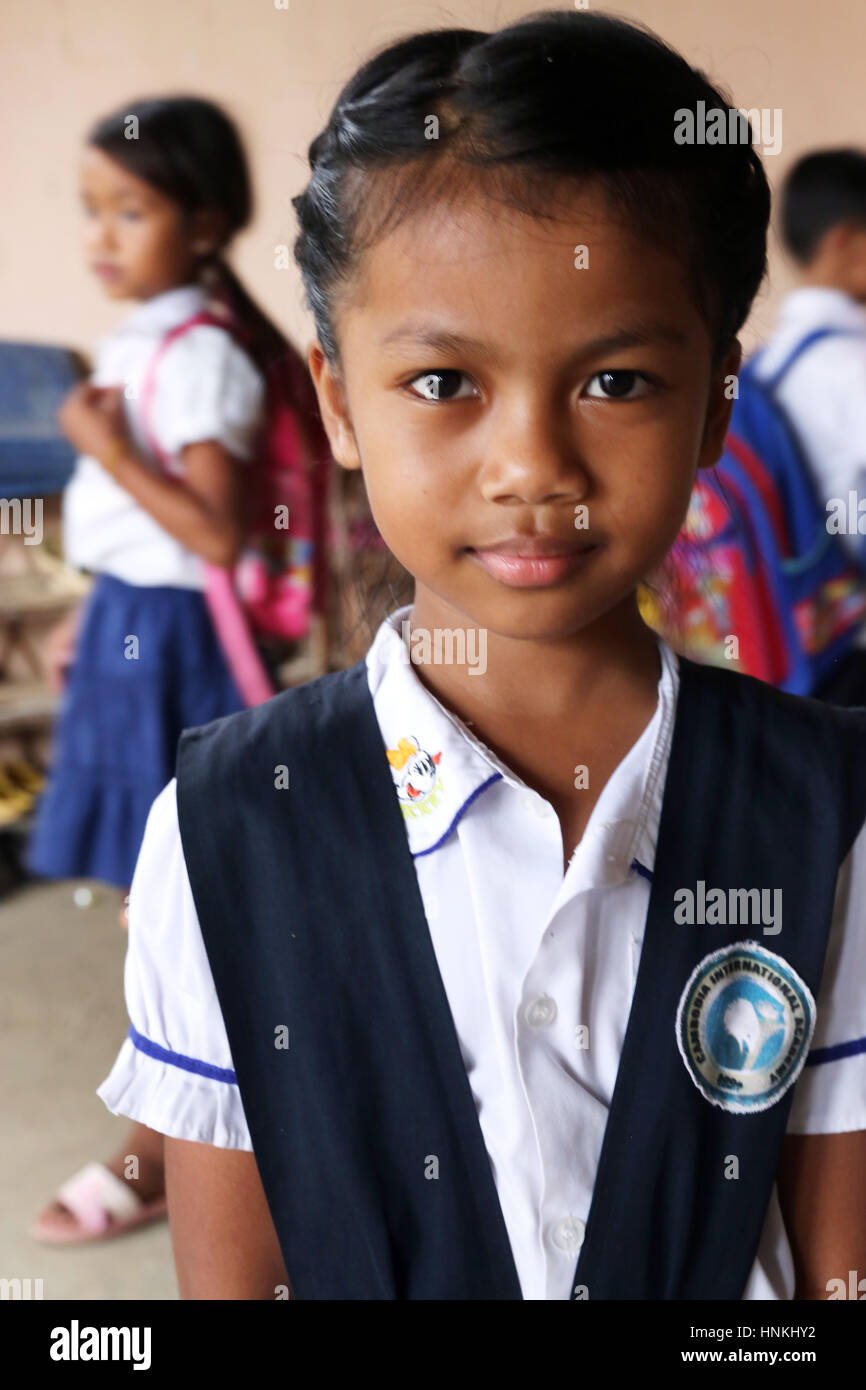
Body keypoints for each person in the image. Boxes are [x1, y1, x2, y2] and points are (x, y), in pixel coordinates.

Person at [97, 11, 866, 1299]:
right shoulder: (228, 824)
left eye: (614, 381)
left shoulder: (824, 812)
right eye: (444, 382)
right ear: (338, 402)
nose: (531, 469)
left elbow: (838, 1268)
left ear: (713, 407)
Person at [27, 94, 295, 1243]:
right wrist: (91, 610)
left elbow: (218, 533)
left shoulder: (203, 355)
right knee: (151, 906)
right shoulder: (148, 337)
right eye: (90, 211)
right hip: (132, 628)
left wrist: (103, 449)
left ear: (202, 221)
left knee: (175, 907)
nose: (99, 236)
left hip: (178, 645)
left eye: (127, 211)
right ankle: (184, 1120)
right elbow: (141, 536)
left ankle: (163, 1146)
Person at [754, 149, 866, 704]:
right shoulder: (853, 369)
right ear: (849, 242)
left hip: (779, 645)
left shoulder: (764, 365)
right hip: (851, 657)